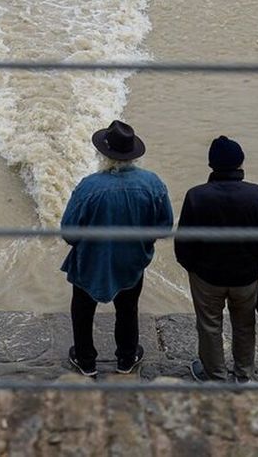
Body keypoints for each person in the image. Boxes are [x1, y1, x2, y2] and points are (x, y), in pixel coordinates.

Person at [60, 120, 174, 377]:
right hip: (132, 261)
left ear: (104, 155)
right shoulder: (153, 184)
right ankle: (126, 358)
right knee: (127, 309)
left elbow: (68, 231)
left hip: (90, 261)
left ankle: (86, 361)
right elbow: (164, 227)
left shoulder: (88, 187)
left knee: (82, 309)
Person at [174, 135, 258, 383]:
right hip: (246, 277)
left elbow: (183, 242)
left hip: (207, 276)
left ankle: (215, 374)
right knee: (245, 325)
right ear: (240, 162)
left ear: (211, 165)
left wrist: (192, 268)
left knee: (209, 326)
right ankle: (243, 374)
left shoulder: (196, 196)